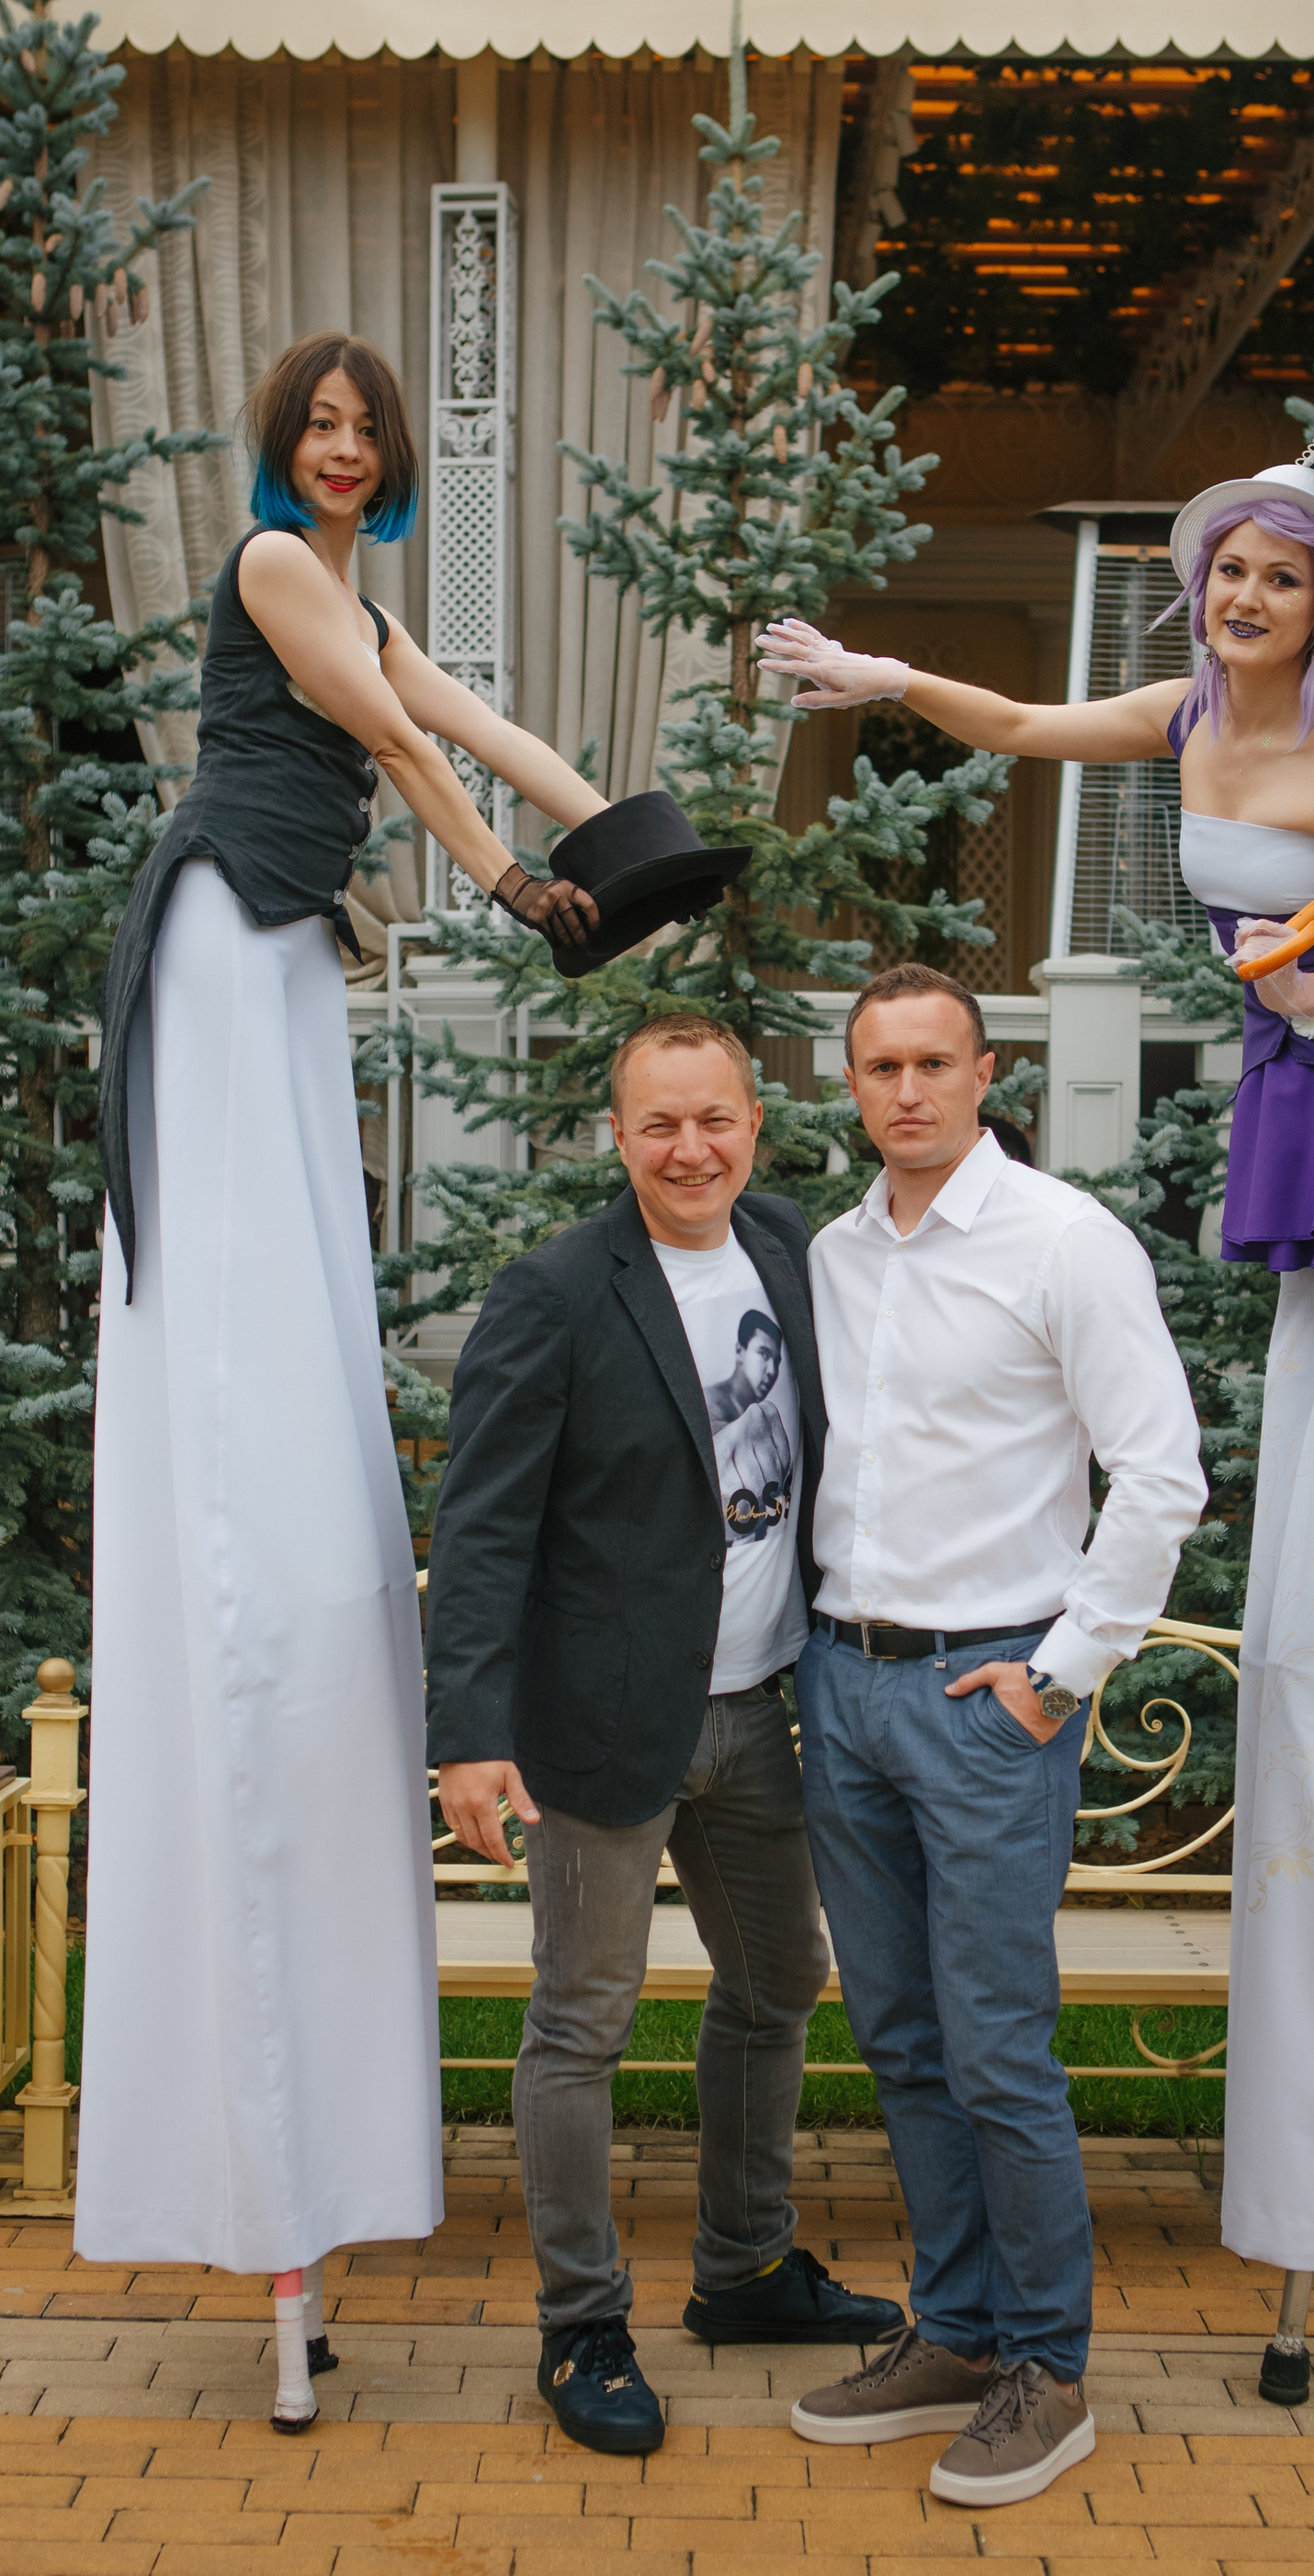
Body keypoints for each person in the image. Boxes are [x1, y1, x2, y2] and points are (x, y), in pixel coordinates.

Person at [758, 471, 1314, 2403]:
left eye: (1276, 577)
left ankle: (1074, 2338)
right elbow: (1014, 722)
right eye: (1225, 568)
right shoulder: (1185, 717)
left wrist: (1296, 980)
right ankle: (1001, 2322)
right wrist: (882, 674)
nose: (1241, 594)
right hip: (1302, 1078)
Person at [83, 332, 607, 2435]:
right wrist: (512, 883)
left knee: (310, 1255)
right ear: (282, 443)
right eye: (318, 422)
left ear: (386, 462)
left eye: (362, 431)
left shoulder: (361, 590)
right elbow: (396, 739)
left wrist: (619, 831)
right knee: (247, 1283)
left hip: (297, 957)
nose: (338, 446)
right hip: (224, 937)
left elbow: (470, 712)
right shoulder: (275, 572)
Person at [422, 1015, 903, 2458]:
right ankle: (582, 2324)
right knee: (583, 2020)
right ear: (617, 1136)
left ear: (757, 1122)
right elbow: (484, 1526)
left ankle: (744, 2270)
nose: (690, 1150)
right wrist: (469, 1734)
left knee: (779, 1982)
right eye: (659, 1125)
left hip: (761, 1709)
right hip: (602, 1722)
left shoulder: (791, 1251)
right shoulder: (557, 1292)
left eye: (715, 1120)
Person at [782, 962, 1206, 2509]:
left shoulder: (1063, 1243)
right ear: (851, 1085)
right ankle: (955, 2332)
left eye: (934, 1064)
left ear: (984, 1076)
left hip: (986, 1701)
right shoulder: (833, 1253)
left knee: (998, 2048)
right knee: (900, 2038)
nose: (907, 1091)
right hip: (846, 1683)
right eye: (880, 1067)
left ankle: (1048, 2367)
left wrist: (1062, 1671)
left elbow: (1161, 1473)